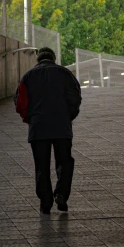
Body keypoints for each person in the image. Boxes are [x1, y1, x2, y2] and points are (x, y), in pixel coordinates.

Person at [14, 47, 82, 214]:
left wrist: (29, 118)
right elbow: (76, 97)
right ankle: (61, 194)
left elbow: (20, 102)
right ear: (54, 58)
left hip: (38, 128)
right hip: (62, 127)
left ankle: (45, 202)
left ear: (38, 59)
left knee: (41, 166)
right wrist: (68, 116)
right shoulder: (65, 74)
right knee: (65, 162)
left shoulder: (28, 76)